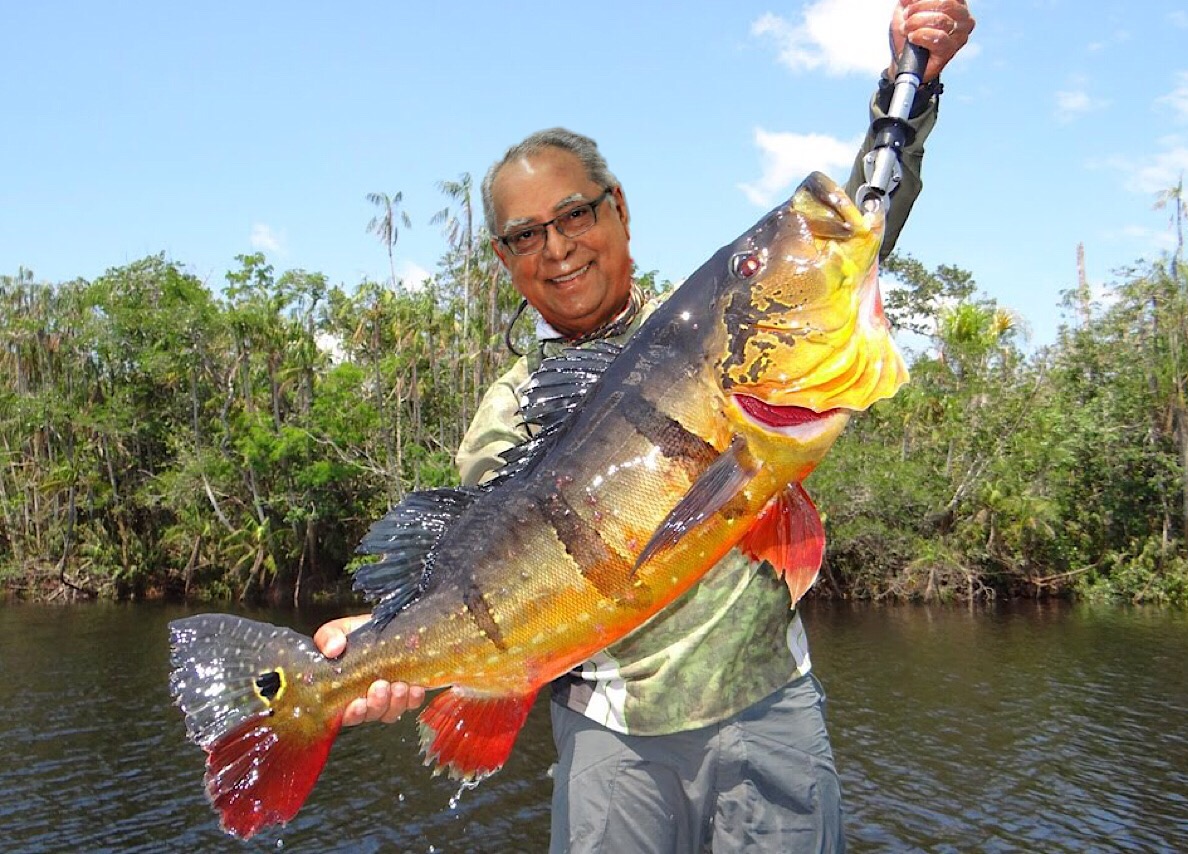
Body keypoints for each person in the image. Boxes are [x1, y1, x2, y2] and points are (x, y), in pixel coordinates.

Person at [315, 2, 974, 850]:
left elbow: (847, 245)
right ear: (504, 261)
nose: (557, 249)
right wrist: (378, 646)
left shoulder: (699, 328)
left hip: (766, 705)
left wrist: (910, 87)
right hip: (606, 737)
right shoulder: (510, 409)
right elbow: (474, 575)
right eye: (526, 236)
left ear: (618, 209)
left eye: (576, 215)